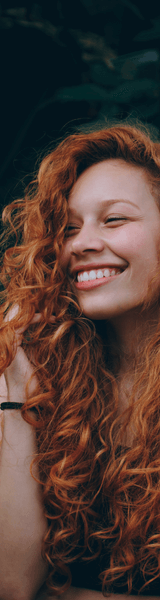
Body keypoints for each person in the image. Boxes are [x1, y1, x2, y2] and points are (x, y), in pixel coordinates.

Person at [0, 123, 160, 600]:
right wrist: (15, 369)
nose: (81, 244)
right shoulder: (57, 383)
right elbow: (13, 582)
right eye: (68, 228)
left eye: (114, 221)